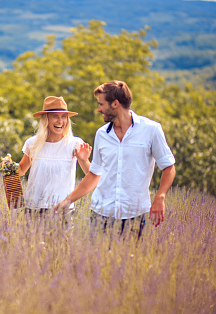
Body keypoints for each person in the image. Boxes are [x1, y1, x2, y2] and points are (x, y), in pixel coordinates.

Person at [54, 80, 176, 239]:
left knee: (131, 263)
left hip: (134, 216)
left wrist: (160, 196)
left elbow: (168, 167)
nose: (98, 109)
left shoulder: (151, 130)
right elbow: (94, 175)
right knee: (98, 263)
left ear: (115, 104)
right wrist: (67, 201)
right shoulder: (102, 134)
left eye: (101, 104)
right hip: (100, 215)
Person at [18, 96, 92, 220]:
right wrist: (8, 166)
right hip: (33, 208)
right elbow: (21, 170)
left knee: (63, 240)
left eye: (64, 116)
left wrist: (84, 160)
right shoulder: (33, 143)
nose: (60, 121)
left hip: (63, 210)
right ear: (46, 119)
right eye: (55, 116)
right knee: (31, 240)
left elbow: (91, 175)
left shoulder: (74, 143)